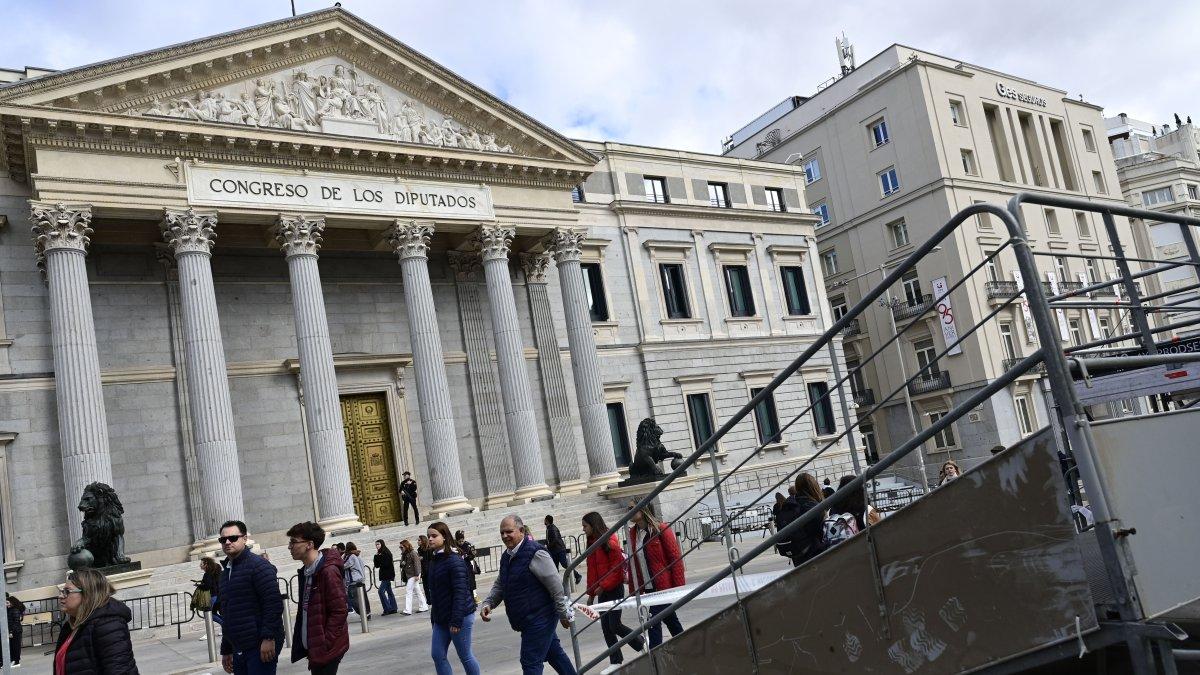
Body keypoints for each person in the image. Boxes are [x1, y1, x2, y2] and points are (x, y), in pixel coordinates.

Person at [480, 515, 576, 675]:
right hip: (528, 619)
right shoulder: (507, 556)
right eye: (502, 533)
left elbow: (556, 586)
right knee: (554, 654)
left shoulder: (536, 553)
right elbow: (501, 584)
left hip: (540, 618)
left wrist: (562, 612)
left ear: (522, 530)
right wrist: (489, 603)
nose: (505, 536)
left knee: (530, 662)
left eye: (509, 532)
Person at [218, 520, 284, 675]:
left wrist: (268, 637)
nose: (227, 542)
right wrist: (226, 648)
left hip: (259, 644)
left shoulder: (259, 566)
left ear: (245, 539)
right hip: (238, 646)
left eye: (233, 538)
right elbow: (227, 612)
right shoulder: (225, 572)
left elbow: (273, 603)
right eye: (223, 539)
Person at [582, 511, 643, 669]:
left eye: (585, 526)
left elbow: (616, 568)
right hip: (602, 590)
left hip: (613, 588)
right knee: (606, 627)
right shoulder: (591, 542)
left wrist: (602, 586)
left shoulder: (609, 540)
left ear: (593, 525)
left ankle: (640, 641)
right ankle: (616, 661)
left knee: (614, 625)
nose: (583, 529)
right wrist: (590, 593)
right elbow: (592, 570)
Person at [287, 522, 348, 674]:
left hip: (326, 648)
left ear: (309, 544)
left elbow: (339, 611)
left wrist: (324, 643)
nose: (290, 547)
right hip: (315, 647)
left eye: (293, 542)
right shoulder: (308, 571)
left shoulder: (328, 571)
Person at [53, 568, 138, 674]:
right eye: (62, 591)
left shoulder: (108, 625)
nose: (60, 596)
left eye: (67, 592)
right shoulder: (72, 625)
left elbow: (120, 670)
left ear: (88, 594)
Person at [626, 501, 685, 650]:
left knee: (653, 620)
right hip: (648, 586)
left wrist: (678, 588)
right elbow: (634, 563)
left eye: (632, 508)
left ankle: (654, 653)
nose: (629, 511)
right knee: (670, 619)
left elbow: (675, 558)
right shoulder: (633, 534)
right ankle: (687, 645)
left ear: (643, 508)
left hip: (663, 586)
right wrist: (635, 590)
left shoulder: (660, 529)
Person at [426, 521, 481, 675]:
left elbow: (460, 592)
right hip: (441, 617)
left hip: (460, 616)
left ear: (444, 537)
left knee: (465, 656)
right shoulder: (434, 560)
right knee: (437, 654)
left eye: (434, 536)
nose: (430, 539)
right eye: (428, 536)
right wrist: (434, 617)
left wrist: (456, 619)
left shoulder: (454, 560)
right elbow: (435, 592)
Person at [775, 474, 827, 567]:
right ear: (813, 486)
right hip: (814, 553)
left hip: (798, 552)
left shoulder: (791, 504)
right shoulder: (811, 505)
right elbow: (821, 532)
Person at [544, 515, 581, 584]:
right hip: (555, 550)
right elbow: (550, 539)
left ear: (547, 520)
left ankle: (577, 575)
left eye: (545, 520)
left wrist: (548, 546)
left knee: (564, 564)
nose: (544, 521)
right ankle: (557, 582)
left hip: (559, 549)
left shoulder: (552, 528)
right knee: (555, 567)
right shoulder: (549, 528)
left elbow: (555, 539)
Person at [399, 539, 430, 614]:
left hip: (413, 575)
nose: (400, 549)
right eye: (400, 547)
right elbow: (401, 564)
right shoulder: (404, 554)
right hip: (410, 575)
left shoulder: (413, 553)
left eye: (402, 547)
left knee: (408, 591)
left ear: (406, 546)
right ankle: (424, 606)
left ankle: (408, 610)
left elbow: (417, 564)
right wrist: (402, 563)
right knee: (417, 591)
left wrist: (417, 574)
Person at [342, 543, 371, 620]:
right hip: (360, 579)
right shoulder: (357, 555)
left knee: (352, 599)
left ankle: (363, 613)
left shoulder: (351, 556)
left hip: (354, 581)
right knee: (363, 598)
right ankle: (367, 613)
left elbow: (344, 565)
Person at [196, 556, 224, 629]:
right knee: (213, 613)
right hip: (219, 595)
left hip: (213, 596)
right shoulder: (215, 571)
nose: (200, 565)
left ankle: (224, 625)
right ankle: (225, 623)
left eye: (201, 563)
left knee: (209, 614)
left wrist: (199, 586)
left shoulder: (208, 574)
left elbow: (208, 586)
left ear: (206, 564)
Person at [373, 540, 399, 616]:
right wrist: (376, 556)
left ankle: (387, 609)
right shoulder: (379, 554)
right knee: (389, 591)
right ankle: (393, 608)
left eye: (378, 544)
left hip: (387, 575)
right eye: (376, 545)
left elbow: (386, 564)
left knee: (380, 591)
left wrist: (378, 556)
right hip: (384, 575)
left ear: (382, 544)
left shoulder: (386, 553)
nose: (377, 546)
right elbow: (377, 565)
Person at [454, 530, 480, 601]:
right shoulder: (454, 546)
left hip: (468, 565)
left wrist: (470, 555)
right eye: (459, 541)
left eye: (462, 541)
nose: (461, 543)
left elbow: (473, 554)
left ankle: (474, 596)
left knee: (471, 581)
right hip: (459, 567)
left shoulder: (468, 545)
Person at [6, 592, 25, 669]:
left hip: (16, 631)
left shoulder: (15, 610)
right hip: (13, 631)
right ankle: (14, 660)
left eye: (7, 603)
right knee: (12, 646)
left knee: (16, 646)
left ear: (12, 603)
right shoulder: (10, 609)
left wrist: (11, 632)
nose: (6, 604)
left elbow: (16, 622)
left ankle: (16, 661)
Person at [418, 535, 434, 606]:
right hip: (423, 570)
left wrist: (423, 558)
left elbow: (431, 559)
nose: (418, 542)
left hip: (429, 569)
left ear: (423, 541)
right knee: (425, 587)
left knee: (430, 586)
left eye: (419, 540)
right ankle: (429, 601)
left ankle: (433, 600)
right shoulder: (419, 549)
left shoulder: (429, 549)